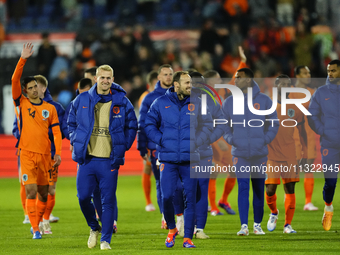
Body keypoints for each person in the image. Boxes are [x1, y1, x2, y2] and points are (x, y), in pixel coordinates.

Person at [68, 64, 137, 250]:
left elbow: (132, 125)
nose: (105, 81)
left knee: (107, 201)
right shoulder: (82, 99)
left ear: (112, 80)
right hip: (87, 159)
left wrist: (123, 145)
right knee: (83, 198)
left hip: (109, 160)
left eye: (109, 78)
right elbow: (70, 122)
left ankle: (106, 240)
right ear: (96, 79)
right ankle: (94, 227)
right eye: (102, 77)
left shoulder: (122, 101)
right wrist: (76, 139)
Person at [145, 71, 213, 248]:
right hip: (168, 159)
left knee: (190, 199)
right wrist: (161, 140)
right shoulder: (160, 103)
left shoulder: (198, 103)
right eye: (187, 83)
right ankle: (172, 229)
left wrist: (197, 141)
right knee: (167, 196)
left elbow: (207, 125)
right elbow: (148, 124)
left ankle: (187, 238)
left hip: (190, 159)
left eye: (191, 83)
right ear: (176, 85)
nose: (191, 86)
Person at [12, 43, 62, 239]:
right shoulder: (20, 103)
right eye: (30, 88)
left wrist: (57, 152)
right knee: (31, 191)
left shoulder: (50, 109)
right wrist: (23, 59)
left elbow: (56, 133)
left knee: (44, 193)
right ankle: (34, 229)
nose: (34, 90)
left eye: (35, 87)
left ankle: (40, 222)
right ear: (24, 91)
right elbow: (15, 78)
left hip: (45, 155)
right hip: (26, 154)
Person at [222, 67, 279, 236]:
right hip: (240, 154)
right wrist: (231, 140)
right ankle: (244, 226)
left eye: (238, 77)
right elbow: (224, 125)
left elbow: (274, 123)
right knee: (243, 187)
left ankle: (257, 225)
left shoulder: (264, 100)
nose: (235, 80)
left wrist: (265, 139)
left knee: (258, 189)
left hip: (259, 153)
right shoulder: (229, 102)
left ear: (248, 80)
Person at [265, 75, 307, 234]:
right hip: (271, 153)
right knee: (270, 190)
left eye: (288, 84)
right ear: (276, 86)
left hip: (290, 153)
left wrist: (304, 152)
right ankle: (274, 212)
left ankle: (287, 225)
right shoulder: (267, 105)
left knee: (290, 188)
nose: (285, 86)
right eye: (281, 84)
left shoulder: (296, 107)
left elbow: (302, 132)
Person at [137, 64, 173, 227]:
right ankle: (165, 215)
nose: (168, 77)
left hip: (179, 148)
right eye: (165, 74)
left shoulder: (180, 96)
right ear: (158, 77)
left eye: (170, 74)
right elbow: (142, 123)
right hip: (156, 148)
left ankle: (179, 216)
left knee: (179, 183)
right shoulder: (150, 98)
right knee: (161, 182)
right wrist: (141, 146)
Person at [190, 71, 225, 239]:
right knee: (198, 189)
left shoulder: (204, 99)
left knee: (190, 189)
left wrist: (207, 139)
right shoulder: (209, 98)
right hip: (196, 151)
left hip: (195, 151)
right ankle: (198, 228)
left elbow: (221, 121)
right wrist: (208, 139)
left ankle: (190, 226)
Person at [308, 59, 340, 231]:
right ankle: (328, 207)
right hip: (330, 143)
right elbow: (311, 115)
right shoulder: (321, 92)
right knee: (331, 182)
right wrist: (323, 130)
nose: (330, 74)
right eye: (328, 71)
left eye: (333, 70)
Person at [290, 66, 318, 211]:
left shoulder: (313, 93)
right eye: (305, 73)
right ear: (297, 76)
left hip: (308, 133)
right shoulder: (290, 92)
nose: (308, 75)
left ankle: (308, 202)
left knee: (308, 167)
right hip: (293, 134)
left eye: (309, 72)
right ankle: (289, 199)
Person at [138, 70, 158, 212]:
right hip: (150, 139)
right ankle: (148, 201)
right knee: (148, 167)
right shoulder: (145, 97)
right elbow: (143, 120)